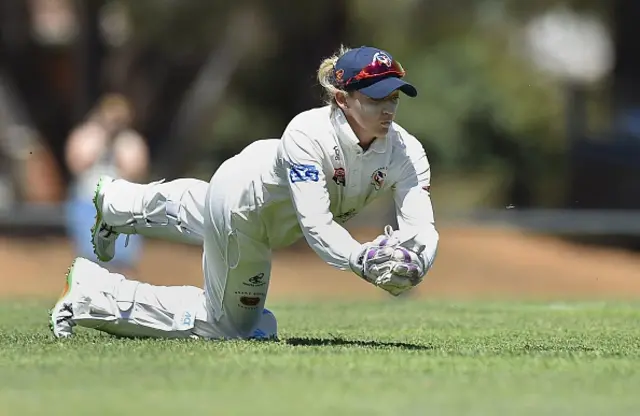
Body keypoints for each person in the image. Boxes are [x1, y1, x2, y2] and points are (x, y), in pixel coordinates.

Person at [49, 45, 440, 341]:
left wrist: (417, 261)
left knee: (196, 210)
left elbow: (422, 226)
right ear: (343, 99)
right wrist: (363, 258)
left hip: (246, 188)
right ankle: (91, 293)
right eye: (376, 98)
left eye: (394, 97)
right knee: (232, 327)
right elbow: (317, 226)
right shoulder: (308, 134)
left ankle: (115, 201)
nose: (389, 108)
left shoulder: (407, 151)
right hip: (245, 213)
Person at [64, 94, 149, 275]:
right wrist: (100, 144)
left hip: (123, 204)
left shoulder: (131, 141)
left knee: (122, 259)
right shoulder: (86, 136)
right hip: (89, 201)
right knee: (90, 255)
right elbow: (75, 163)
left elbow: (137, 170)